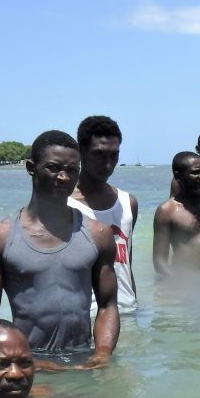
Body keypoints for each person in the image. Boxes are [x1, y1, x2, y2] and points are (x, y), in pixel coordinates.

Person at [0, 130, 119, 368]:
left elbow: (108, 305)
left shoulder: (98, 234)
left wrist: (102, 353)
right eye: (53, 168)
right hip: (27, 366)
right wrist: (25, 362)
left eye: (72, 170)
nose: (63, 177)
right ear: (31, 167)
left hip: (84, 360)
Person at [67, 116, 139, 313]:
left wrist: (134, 302)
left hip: (127, 311)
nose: (108, 164)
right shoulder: (65, 204)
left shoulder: (128, 203)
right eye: (99, 155)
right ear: (80, 151)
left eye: (114, 155)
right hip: (83, 315)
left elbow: (126, 264)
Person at [153, 151, 200, 276]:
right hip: (185, 281)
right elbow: (159, 262)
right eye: (195, 172)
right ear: (178, 176)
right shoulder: (167, 211)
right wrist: (182, 284)